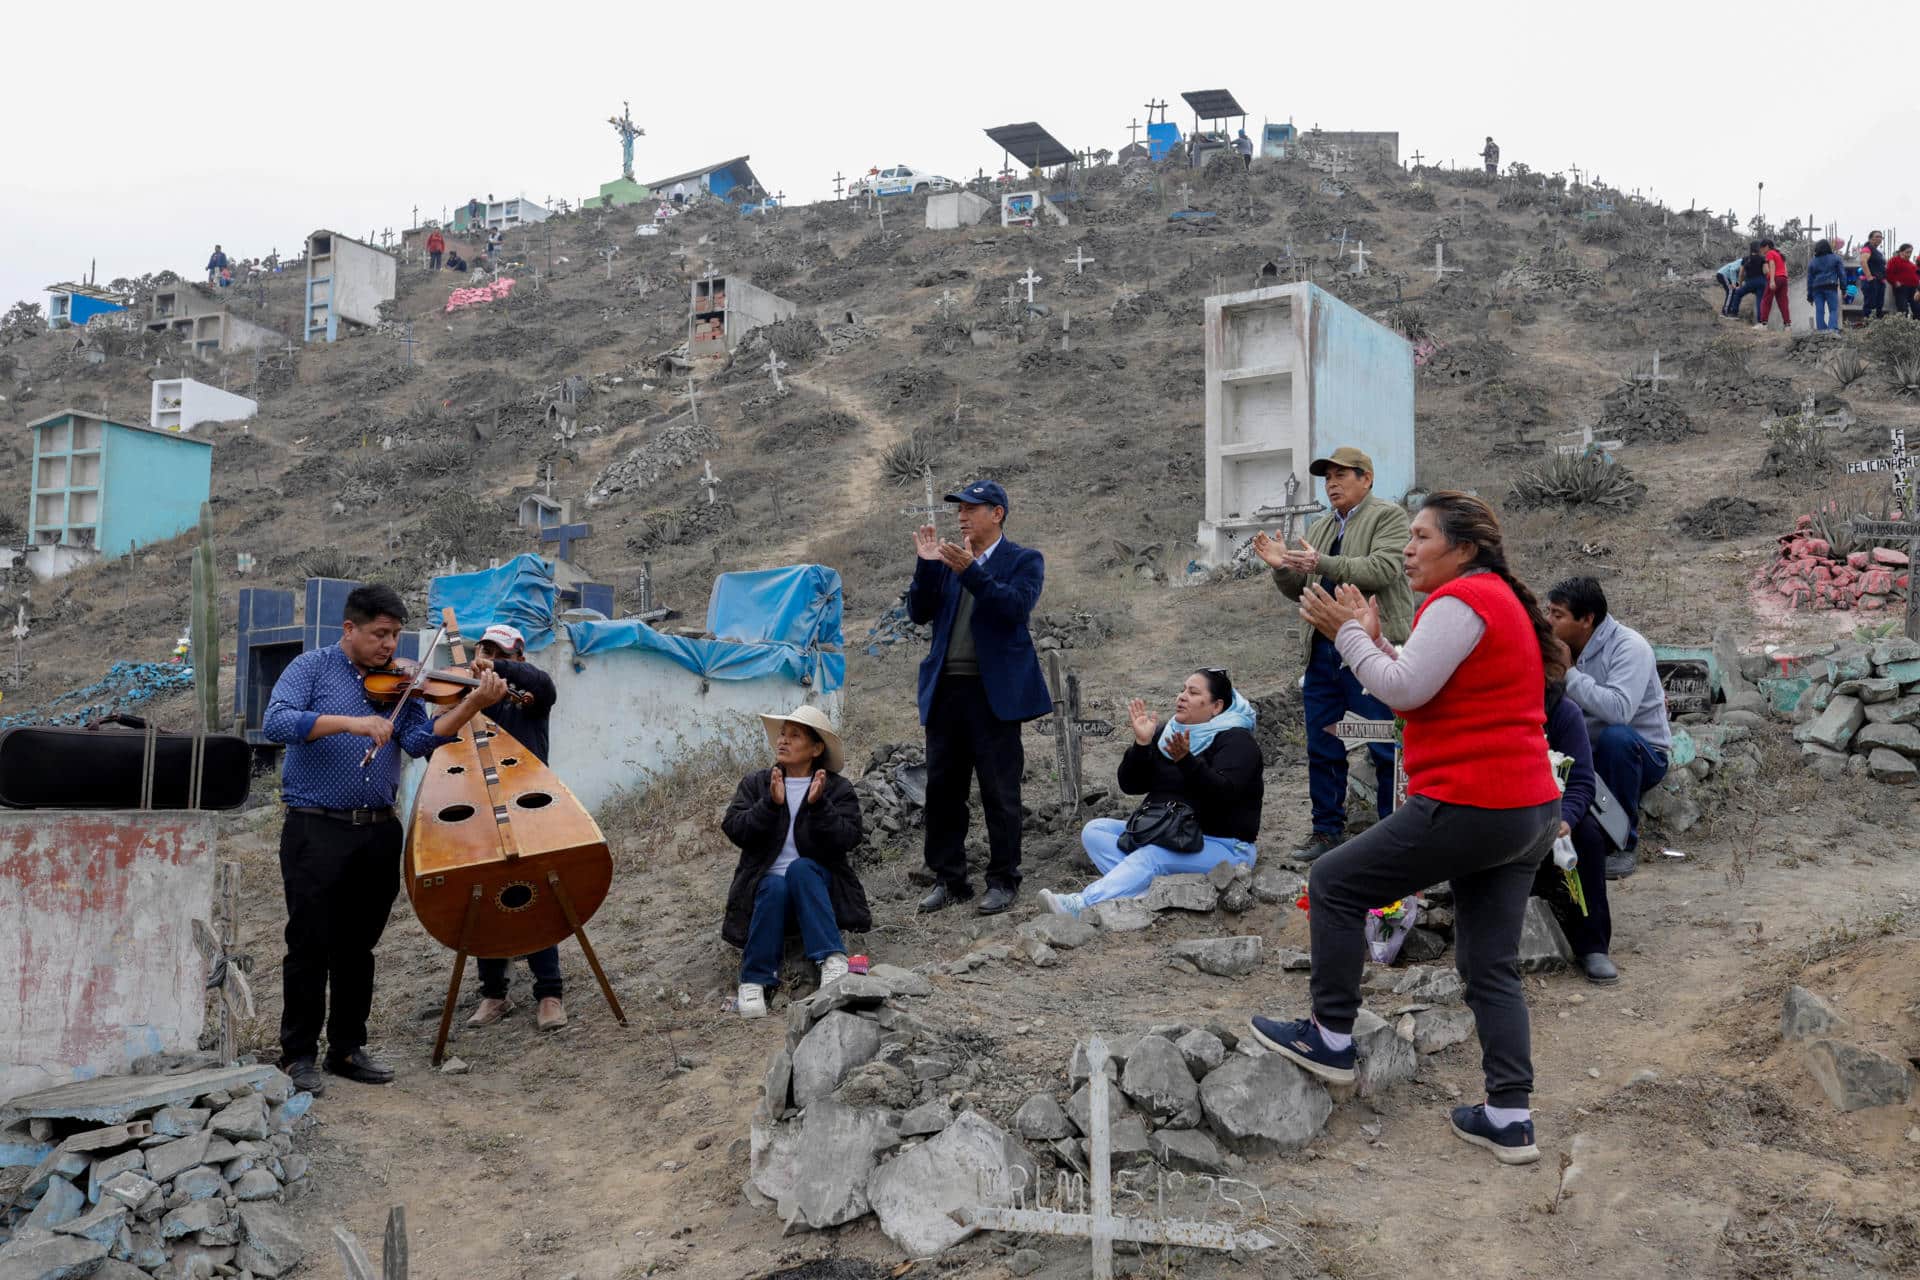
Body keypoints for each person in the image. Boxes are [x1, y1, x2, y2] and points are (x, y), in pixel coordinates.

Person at [1248, 492, 1563, 1166]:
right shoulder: (1491, 599)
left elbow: (1403, 692)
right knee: (1489, 966)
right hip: (1527, 810)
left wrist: (1350, 637)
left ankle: (1330, 1038)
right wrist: (1380, 640)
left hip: (1470, 800)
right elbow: (1429, 680)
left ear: (1465, 547)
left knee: (1332, 881)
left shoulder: (1461, 600)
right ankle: (1510, 1116)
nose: (1409, 549)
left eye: (1421, 537)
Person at [263, 585, 506, 1095]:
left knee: (359, 946)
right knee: (308, 943)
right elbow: (276, 721)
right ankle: (297, 1055)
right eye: (380, 634)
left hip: (376, 829)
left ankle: (347, 1048)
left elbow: (418, 741)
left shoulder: (403, 684)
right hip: (315, 826)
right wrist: (351, 722)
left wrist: (472, 705)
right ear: (349, 629)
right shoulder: (311, 668)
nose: (389, 646)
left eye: (395, 635)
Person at [1256, 447, 1414, 862]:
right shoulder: (1322, 525)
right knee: (1322, 744)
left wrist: (1319, 560)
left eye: (1342, 475)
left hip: (1375, 649)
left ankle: (1390, 834)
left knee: (1384, 744)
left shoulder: (1389, 517)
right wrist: (1281, 567)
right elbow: (1302, 589)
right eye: (1327, 477)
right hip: (1323, 649)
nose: (1332, 483)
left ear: (1367, 478)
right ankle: (1326, 832)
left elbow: (1382, 570)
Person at [909, 479, 1052, 916]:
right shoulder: (949, 562)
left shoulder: (1023, 560)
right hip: (947, 692)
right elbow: (918, 612)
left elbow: (1013, 608)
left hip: (994, 696)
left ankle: (1004, 879)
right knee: (942, 791)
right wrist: (927, 566)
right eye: (959, 509)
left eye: (971, 508)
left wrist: (971, 571)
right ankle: (949, 880)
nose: (962, 516)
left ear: (998, 513)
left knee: (999, 791)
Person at [1040, 669, 1261, 917]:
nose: (1182, 696)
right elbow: (1131, 785)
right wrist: (1142, 745)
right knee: (1095, 831)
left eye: (1193, 692)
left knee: (1151, 856)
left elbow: (1225, 795)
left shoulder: (1237, 742)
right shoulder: (1168, 733)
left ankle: (1081, 904)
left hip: (1224, 845)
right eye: (1183, 689)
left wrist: (1187, 761)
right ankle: (1141, 889)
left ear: (1216, 706)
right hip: (1172, 832)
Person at [720, 707, 868, 1018]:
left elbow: (849, 837)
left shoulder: (836, 789)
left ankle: (832, 959)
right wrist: (770, 805)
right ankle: (754, 980)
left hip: (818, 895)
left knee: (800, 869)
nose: (783, 741)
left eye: (794, 735)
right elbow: (734, 828)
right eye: (782, 734)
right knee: (774, 884)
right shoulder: (757, 784)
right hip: (767, 900)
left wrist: (819, 807)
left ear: (816, 749)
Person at [462, 624, 565, 1033]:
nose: (489, 658)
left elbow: (542, 683)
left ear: (518, 658)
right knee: (484, 896)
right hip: (481, 811)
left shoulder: (531, 700)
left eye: (501, 654)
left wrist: (497, 667)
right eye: (484, 651)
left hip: (531, 812)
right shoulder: (470, 701)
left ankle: (550, 993)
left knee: (537, 895)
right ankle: (494, 993)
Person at [1544, 577, 1670, 880]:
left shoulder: (1629, 647)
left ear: (1587, 619)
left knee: (1617, 739)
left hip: (1641, 754)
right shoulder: (1561, 646)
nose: (1548, 622)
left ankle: (1623, 845)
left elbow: (1619, 711)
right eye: (1548, 612)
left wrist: (1570, 674)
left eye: (1557, 615)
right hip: (1587, 751)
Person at [1532, 676, 1618, 984]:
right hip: (1503, 811)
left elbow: (1581, 780)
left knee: (1588, 835)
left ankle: (1592, 943)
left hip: (1554, 812)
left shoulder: (1562, 712)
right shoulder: (1489, 707)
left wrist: (1564, 819)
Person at [1806, 239, 1848, 332]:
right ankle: (1832, 329)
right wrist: (1844, 289)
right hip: (1831, 286)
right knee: (1833, 309)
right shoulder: (1836, 258)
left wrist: (1810, 296)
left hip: (1816, 289)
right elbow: (1842, 274)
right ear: (1828, 247)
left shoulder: (1812, 262)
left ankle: (1821, 331)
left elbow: (1809, 280)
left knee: (1819, 311)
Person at [1728, 242, 1769, 323]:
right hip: (1761, 282)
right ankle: (1760, 322)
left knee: (1738, 293)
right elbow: (1765, 271)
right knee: (1759, 301)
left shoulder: (1746, 259)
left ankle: (1733, 314)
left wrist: (1739, 284)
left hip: (1750, 282)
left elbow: (1741, 273)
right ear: (1758, 248)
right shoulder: (1762, 258)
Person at [1758, 238, 1790, 329]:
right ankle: (1787, 325)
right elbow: (1785, 269)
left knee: (1766, 301)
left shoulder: (1770, 253)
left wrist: (1772, 280)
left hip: (1775, 278)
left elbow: (1772, 265)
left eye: (1762, 248)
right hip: (1783, 279)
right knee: (1783, 303)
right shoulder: (1780, 254)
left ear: (1767, 247)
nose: (1761, 250)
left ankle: (1763, 324)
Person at [1886, 243, 1920, 320]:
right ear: (1901, 252)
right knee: (1903, 309)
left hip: (1914, 289)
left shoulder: (1911, 264)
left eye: (1910, 252)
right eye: (1907, 252)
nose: (1909, 254)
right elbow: (1888, 273)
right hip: (1902, 288)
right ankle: (1902, 327)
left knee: (1917, 308)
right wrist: (1895, 282)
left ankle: (1916, 327)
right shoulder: (1894, 260)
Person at [1858, 231, 1887, 322]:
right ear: (1870, 238)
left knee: (1879, 305)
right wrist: (1869, 277)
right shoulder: (1867, 248)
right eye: (1877, 236)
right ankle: (1868, 326)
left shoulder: (1878, 252)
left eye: (1881, 237)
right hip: (1871, 281)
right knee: (1870, 304)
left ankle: (1876, 328)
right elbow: (1863, 262)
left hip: (1879, 281)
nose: (1879, 239)